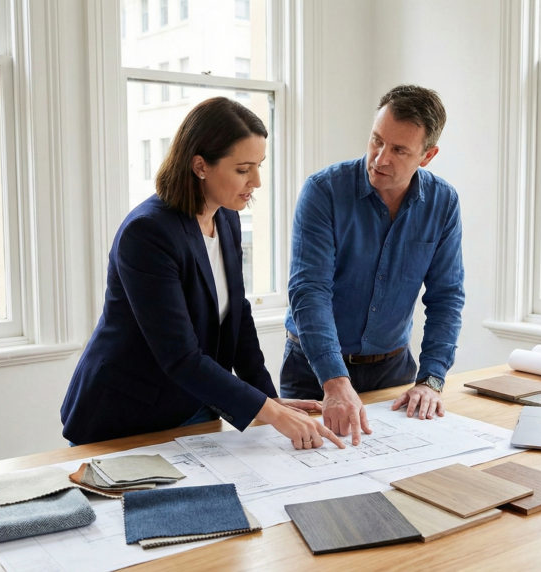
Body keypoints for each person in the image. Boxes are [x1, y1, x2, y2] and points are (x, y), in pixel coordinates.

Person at [61, 97, 344, 450]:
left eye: (259, 166)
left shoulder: (226, 218)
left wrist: (268, 399)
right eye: (243, 169)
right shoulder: (147, 233)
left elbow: (237, 315)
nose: (256, 180)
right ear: (200, 166)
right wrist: (268, 411)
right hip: (127, 414)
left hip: (196, 403)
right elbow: (180, 355)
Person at [281, 85, 465, 445]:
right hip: (314, 370)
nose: (380, 159)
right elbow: (309, 292)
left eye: (399, 150)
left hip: (392, 372)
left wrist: (431, 380)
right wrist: (334, 381)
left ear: (427, 156)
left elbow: (446, 296)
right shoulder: (323, 191)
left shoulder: (443, 202)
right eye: (376, 141)